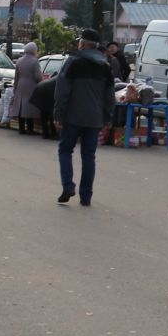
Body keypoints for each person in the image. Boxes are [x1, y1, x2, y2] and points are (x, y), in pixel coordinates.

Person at [52, 29, 111, 206]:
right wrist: (107, 118)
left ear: (83, 44)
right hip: (94, 119)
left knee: (65, 150)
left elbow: (62, 91)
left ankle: (68, 185)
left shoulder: (73, 62)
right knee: (88, 156)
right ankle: (86, 196)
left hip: (73, 116)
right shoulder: (105, 66)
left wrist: (58, 114)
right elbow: (110, 96)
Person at [12, 43, 43, 135]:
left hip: (20, 84)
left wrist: (15, 87)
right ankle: (30, 129)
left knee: (20, 106)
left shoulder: (19, 60)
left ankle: (21, 128)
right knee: (29, 106)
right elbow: (38, 77)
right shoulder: (35, 61)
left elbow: (16, 76)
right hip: (31, 85)